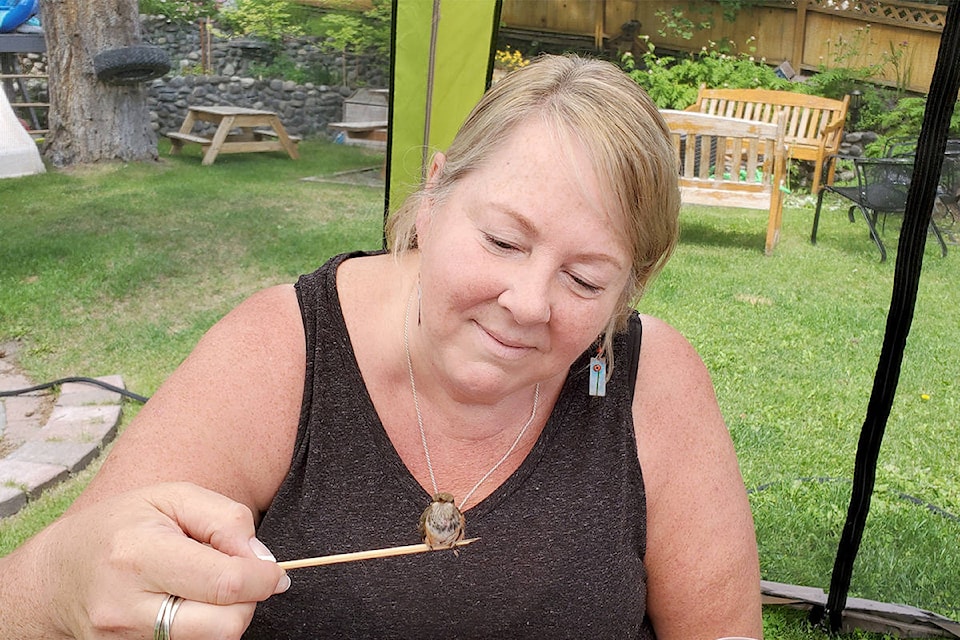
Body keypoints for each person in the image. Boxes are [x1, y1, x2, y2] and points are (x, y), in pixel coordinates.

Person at [0, 54, 762, 639]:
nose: (528, 305)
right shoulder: (283, 352)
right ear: (433, 198)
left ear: (627, 291)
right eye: (502, 240)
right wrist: (68, 582)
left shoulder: (655, 383)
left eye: (587, 280)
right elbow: (33, 601)